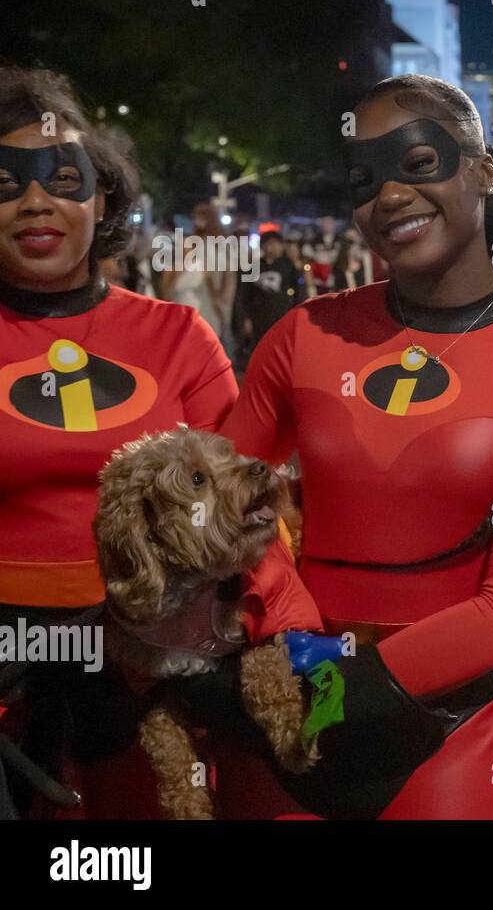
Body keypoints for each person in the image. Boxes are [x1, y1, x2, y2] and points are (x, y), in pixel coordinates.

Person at [211, 74, 493, 819]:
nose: (389, 194)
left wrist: (327, 688)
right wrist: (279, 640)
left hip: (438, 735)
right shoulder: (304, 334)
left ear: (484, 171)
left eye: (418, 163)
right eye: (364, 179)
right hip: (276, 718)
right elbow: (214, 511)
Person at [0, 66, 317, 819]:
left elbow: (251, 499)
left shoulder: (176, 334)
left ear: (102, 196)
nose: (37, 201)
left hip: (151, 673)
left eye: (64, 179)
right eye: (7, 183)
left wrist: (288, 635)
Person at [162, 201, 235, 346]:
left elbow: (226, 277)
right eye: (196, 217)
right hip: (186, 300)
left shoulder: (220, 244)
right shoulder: (192, 242)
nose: (198, 221)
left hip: (209, 300)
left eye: (202, 217)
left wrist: (223, 301)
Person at [232, 230, 305, 374]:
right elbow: (243, 295)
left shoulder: (288, 266)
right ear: (263, 246)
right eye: (270, 244)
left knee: (283, 351)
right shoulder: (253, 266)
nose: (274, 248)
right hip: (258, 317)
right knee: (260, 350)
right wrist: (245, 318)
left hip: (282, 315)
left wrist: (297, 313)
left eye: (277, 244)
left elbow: (299, 291)